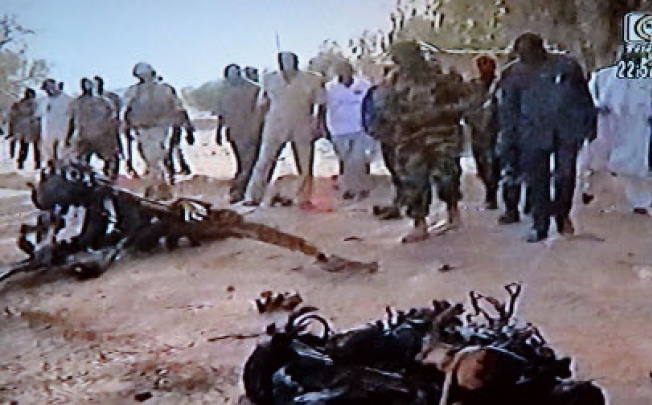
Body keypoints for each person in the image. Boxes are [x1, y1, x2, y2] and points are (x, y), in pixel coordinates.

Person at [366, 41, 472, 243]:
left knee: (447, 177)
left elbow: (466, 100)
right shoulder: (393, 80)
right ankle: (419, 224)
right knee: (413, 182)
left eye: (402, 57)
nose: (399, 62)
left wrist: (443, 112)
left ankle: (453, 213)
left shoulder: (440, 76)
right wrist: (394, 125)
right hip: (410, 139)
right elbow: (383, 108)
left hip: (442, 135)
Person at [497, 32, 597, 242]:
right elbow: (508, 110)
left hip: (567, 130)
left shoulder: (567, 66)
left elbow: (583, 96)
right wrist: (508, 140)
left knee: (565, 175)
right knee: (536, 181)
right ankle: (539, 224)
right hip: (531, 133)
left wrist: (589, 123)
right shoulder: (513, 74)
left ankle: (562, 215)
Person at [244, 52, 326, 208]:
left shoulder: (312, 78)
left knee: (305, 164)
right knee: (264, 161)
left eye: (290, 60)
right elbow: (262, 104)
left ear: (296, 61)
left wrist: (318, 124)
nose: (287, 64)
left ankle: (303, 198)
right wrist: (257, 125)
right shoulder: (269, 79)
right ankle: (253, 196)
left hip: (302, 123)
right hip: (275, 124)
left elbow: (320, 104)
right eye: (283, 61)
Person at [587, 51, 652, 213]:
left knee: (634, 164)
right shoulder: (604, 76)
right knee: (597, 160)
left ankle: (640, 201)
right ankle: (589, 188)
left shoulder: (646, 79)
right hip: (607, 124)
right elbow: (594, 98)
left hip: (637, 126)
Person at [122, 62, 186, 198]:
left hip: (161, 127)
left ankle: (158, 187)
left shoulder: (165, 89)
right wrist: (126, 125)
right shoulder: (133, 91)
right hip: (142, 128)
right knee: (148, 157)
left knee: (155, 157)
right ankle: (158, 186)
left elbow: (178, 107)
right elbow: (125, 110)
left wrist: (185, 126)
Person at [324, 60, 374, 200]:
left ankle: (362, 188)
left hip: (360, 127)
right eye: (340, 70)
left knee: (359, 158)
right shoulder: (329, 88)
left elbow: (371, 105)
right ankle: (348, 188)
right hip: (338, 128)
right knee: (345, 160)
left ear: (352, 71)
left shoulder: (364, 85)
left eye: (346, 70)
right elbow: (322, 108)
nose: (344, 73)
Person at [214, 64, 263, 203]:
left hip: (252, 131)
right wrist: (219, 133)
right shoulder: (224, 93)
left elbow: (262, 110)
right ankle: (241, 191)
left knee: (250, 163)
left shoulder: (255, 89)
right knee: (243, 164)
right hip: (234, 133)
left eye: (236, 73)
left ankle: (239, 191)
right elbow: (221, 115)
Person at [462, 55, 501, 209]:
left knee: (496, 164)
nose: (485, 68)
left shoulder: (501, 85)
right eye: (481, 65)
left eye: (488, 64)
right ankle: (489, 193)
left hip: (497, 130)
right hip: (478, 131)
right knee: (482, 165)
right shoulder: (473, 86)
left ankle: (494, 195)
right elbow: (467, 106)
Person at [66, 78, 120, 178]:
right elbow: (72, 121)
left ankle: (111, 178)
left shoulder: (104, 102)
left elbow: (112, 120)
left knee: (110, 159)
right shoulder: (76, 103)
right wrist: (68, 137)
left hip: (102, 137)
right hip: (84, 137)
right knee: (81, 161)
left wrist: (113, 137)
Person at [39, 79, 73, 162]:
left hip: (64, 129)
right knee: (48, 150)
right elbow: (38, 114)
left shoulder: (67, 100)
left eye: (48, 89)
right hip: (49, 130)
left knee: (64, 152)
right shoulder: (44, 101)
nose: (47, 92)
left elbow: (73, 115)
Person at [8, 88, 41, 170]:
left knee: (26, 147)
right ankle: (34, 163)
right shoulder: (36, 104)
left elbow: (12, 118)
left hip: (28, 129)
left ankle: (23, 162)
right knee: (32, 147)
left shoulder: (18, 105)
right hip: (31, 128)